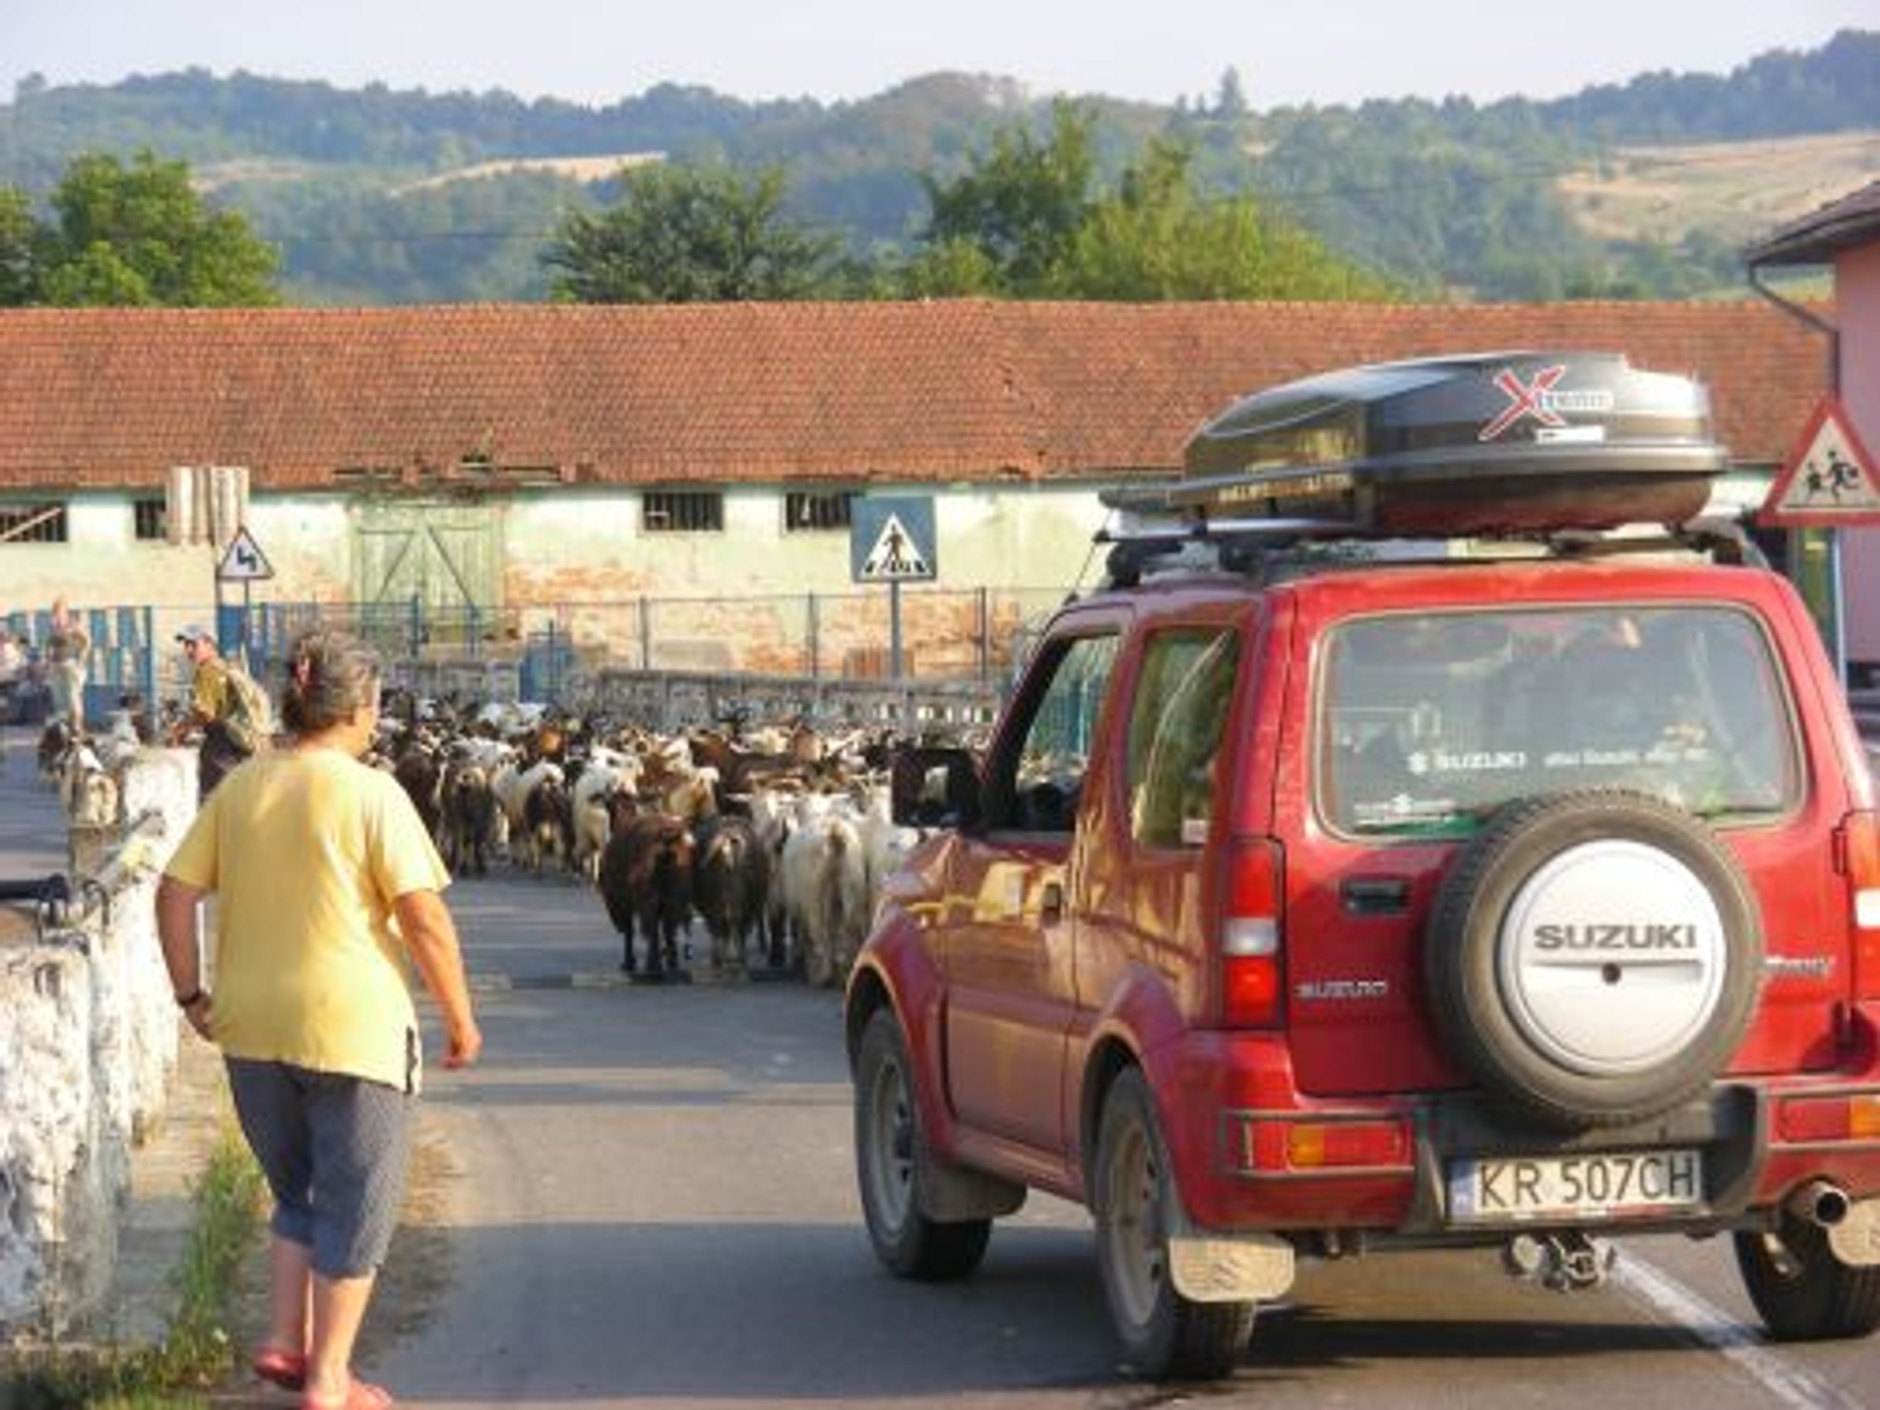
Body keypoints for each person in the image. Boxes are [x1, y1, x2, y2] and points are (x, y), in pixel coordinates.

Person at [155, 629, 481, 1410]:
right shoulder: (373, 794)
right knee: (357, 1207)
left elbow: (173, 893)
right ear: (359, 707)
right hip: (353, 1033)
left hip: (250, 1030)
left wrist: (191, 996)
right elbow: (423, 918)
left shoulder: (241, 786)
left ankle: (283, 1339)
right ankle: (330, 1377)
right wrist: (459, 1019)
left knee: (297, 1192)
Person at [175, 623, 269, 797]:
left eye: (194, 644)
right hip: (240, 741)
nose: (188, 650)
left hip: (220, 746)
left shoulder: (206, 671)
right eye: (186, 645)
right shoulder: (227, 667)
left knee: (213, 799)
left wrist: (182, 729)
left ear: (209, 644)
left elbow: (206, 714)